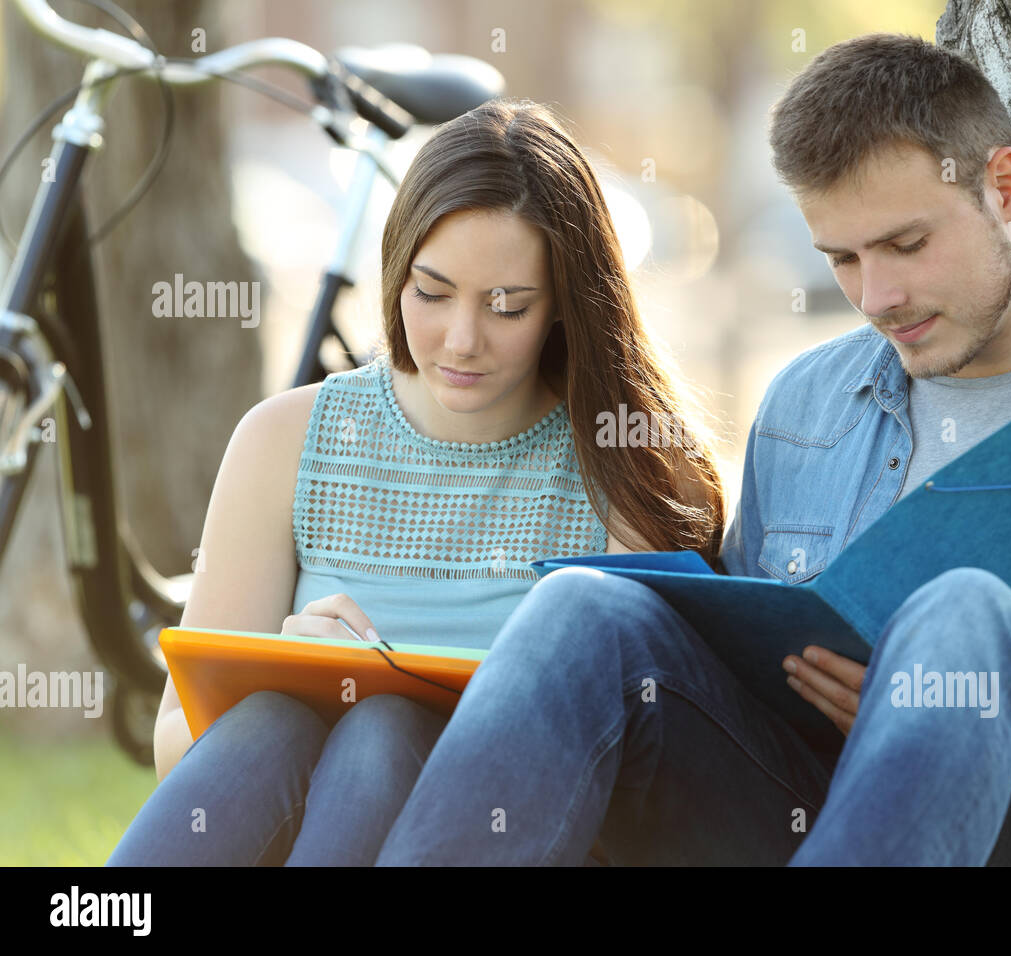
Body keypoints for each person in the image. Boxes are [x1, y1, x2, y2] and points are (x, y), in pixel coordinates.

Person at [371, 34, 1011, 866]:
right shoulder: (805, 410)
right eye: (842, 259)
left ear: (1004, 187)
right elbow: (744, 685)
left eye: (906, 243)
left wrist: (955, 710)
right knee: (588, 609)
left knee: (967, 617)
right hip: (821, 823)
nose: (878, 296)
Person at [105, 98, 725, 866]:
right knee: (275, 720)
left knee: (383, 728)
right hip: (289, 812)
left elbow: (647, 790)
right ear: (396, 274)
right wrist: (284, 677)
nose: (462, 340)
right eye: (431, 294)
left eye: (507, 306)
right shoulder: (283, 440)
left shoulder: (627, 468)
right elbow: (176, 749)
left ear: (566, 303)